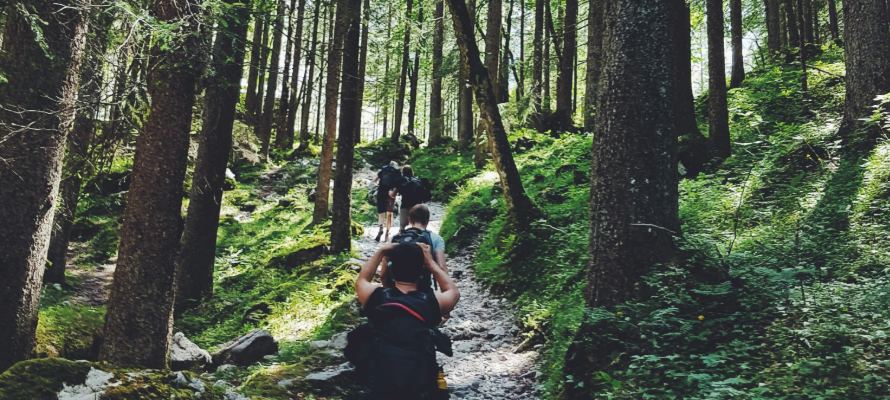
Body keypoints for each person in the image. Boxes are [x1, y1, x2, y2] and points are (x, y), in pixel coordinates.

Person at [354, 242, 459, 400]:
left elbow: (361, 280)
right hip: (418, 383)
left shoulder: (375, 297)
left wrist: (381, 251)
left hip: (381, 382)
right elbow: (453, 291)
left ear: (391, 268)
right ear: (421, 269)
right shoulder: (432, 302)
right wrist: (430, 262)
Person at [383, 205, 447, 291]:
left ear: (409, 220)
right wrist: (446, 292)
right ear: (427, 220)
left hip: (396, 289)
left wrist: (387, 291)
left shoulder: (395, 238)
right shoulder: (436, 239)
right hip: (423, 289)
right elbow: (441, 267)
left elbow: (383, 273)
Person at [389, 165, 427, 231]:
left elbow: (393, 195)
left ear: (402, 172)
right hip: (416, 206)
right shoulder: (417, 180)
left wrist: (389, 192)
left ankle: (401, 237)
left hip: (405, 205)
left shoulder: (400, 180)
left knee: (402, 227)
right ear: (412, 172)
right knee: (417, 224)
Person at [372, 161, 401, 242]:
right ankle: (387, 234)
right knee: (389, 214)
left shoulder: (383, 171)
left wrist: (378, 186)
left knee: (381, 213)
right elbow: (398, 184)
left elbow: (374, 181)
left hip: (381, 192)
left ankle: (380, 229)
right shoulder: (396, 172)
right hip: (391, 193)